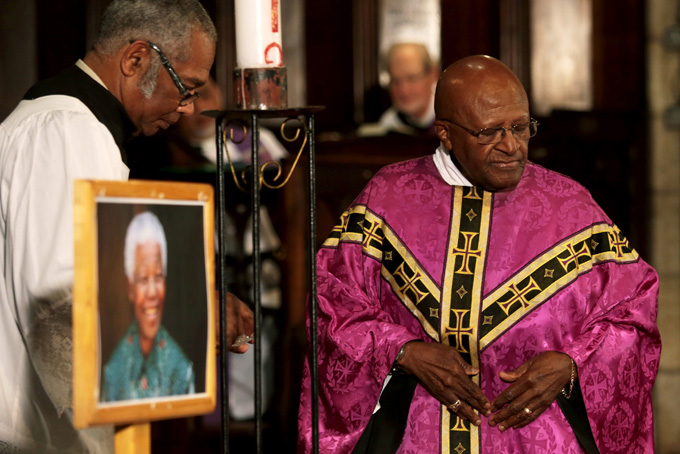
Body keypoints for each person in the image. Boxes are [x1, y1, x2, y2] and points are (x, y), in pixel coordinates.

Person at [298, 55, 661, 454]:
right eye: (489, 132)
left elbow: (634, 312)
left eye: (521, 127)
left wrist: (572, 364)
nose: (511, 146)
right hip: (418, 431)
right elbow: (331, 304)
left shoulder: (571, 205)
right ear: (446, 134)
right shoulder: (386, 199)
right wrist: (402, 351)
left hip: (538, 435)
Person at [0, 1, 252, 452]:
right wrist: (197, 314)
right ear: (135, 59)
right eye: (185, 86)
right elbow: (61, 298)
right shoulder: (68, 131)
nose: (189, 106)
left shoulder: (68, 124)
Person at [102, 212, 195, 402]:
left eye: (159, 276)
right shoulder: (113, 372)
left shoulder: (181, 370)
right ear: (130, 288)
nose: (152, 292)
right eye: (143, 279)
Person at [358, 42, 439, 137]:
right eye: (395, 81)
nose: (404, 90)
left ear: (433, 74)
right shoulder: (388, 125)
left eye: (412, 78)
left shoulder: (450, 117)